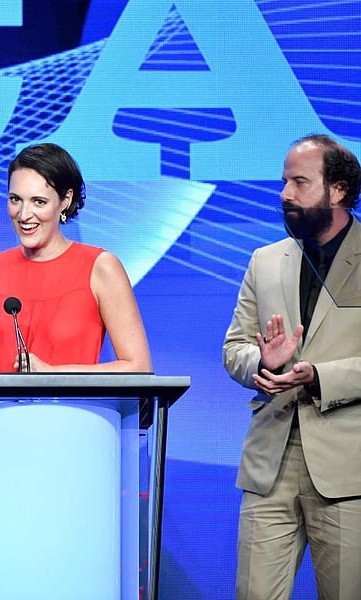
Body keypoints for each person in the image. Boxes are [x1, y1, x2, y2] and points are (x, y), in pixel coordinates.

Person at [223, 134, 361, 599]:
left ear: (338, 190)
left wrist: (321, 377)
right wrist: (261, 362)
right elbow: (235, 348)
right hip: (270, 462)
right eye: (284, 181)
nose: (285, 193)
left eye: (300, 182)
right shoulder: (265, 261)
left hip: (347, 468)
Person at [0, 142, 151, 373]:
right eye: (15, 199)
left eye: (39, 202)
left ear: (65, 200)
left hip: (68, 398)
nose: (24, 215)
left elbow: (138, 367)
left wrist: (53, 374)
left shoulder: (100, 268)